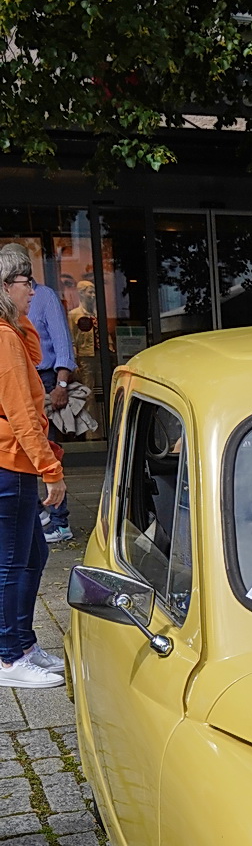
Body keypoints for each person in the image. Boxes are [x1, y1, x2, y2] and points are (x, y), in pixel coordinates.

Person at [0, 244, 68, 688]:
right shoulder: (4, 337)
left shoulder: (11, 331)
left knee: (33, 553)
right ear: (6, 286)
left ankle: (22, 643)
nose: (33, 291)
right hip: (12, 463)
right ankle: (8, 657)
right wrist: (52, 470)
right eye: (27, 283)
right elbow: (23, 413)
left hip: (16, 461)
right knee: (10, 561)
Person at [27, 275, 77, 543]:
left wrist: (60, 384)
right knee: (20, 448)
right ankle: (41, 515)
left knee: (47, 448)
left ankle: (59, 521)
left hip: (43, 377)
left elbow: (62, 345)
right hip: (20, 377)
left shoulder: (43, 296)